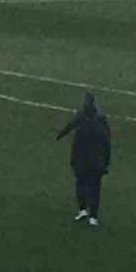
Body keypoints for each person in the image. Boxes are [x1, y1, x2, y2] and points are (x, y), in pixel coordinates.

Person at [55, 92, 111, 226]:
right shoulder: (100, 124)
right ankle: (93, 216)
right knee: (94, 189)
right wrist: (106, 163)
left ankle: (82, 210)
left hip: (82, 162)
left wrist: (60, 135)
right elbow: (107, 144)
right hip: (96, 164)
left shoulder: (81, 126)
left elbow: (74, 143)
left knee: (80, 184)